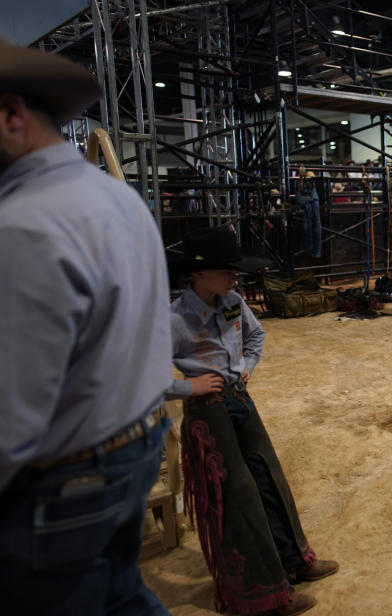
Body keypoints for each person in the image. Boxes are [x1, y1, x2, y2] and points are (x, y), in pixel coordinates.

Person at [0, 38, 174, 614]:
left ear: (9, 114)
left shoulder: (21, 226)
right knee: (121, 591)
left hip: (66, 478)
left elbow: (8, 425)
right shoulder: (115, 198)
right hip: (134, 438)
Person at [167, 227, 338, 616]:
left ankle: (294, 560)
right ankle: (262, 594)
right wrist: (186, 387)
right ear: (198, 273)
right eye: (226, 270)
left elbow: (255, 336)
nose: (234, 276)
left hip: (239, 400)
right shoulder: (173, 319)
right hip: (207, 413)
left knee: (268, 478)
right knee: (238, 499)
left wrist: (247, 365)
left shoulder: (232, 301)